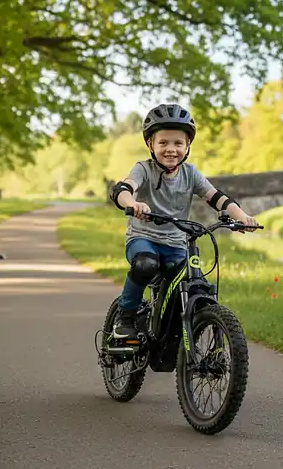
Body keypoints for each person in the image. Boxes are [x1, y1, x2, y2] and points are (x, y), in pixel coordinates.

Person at [109, 103, 258, 340]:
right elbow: (124, 189)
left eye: (178, 143)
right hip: (143, 239)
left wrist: (242, 218)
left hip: (177, 243)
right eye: (163, 143)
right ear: (150, 145)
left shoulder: (190, 173)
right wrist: (132, 204)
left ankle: (187, 335)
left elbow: (216, 197)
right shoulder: (143, 170)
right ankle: (125, 317)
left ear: (187, 146)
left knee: (197, 284)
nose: (171, 149)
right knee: (146, 264)